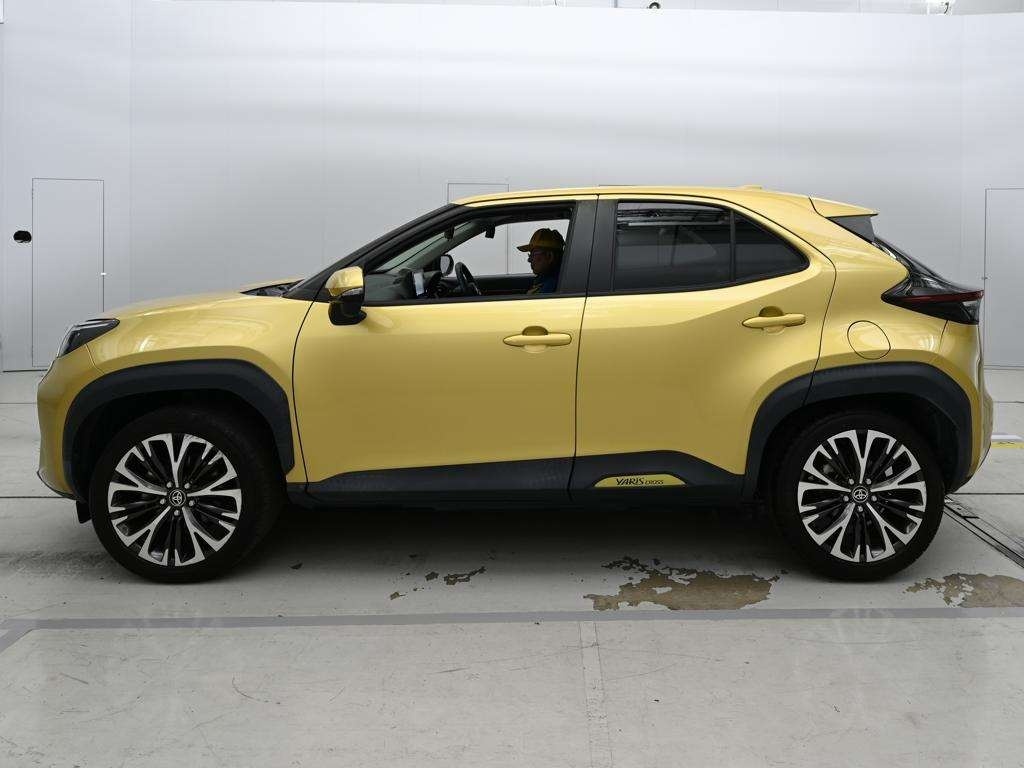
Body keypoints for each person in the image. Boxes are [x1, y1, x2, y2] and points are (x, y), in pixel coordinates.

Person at [518, 228, 564, 294]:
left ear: (549, 256)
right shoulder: (549, 280)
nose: (529, 260)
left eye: (533, 254)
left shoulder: (549, 287)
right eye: (530, 255)